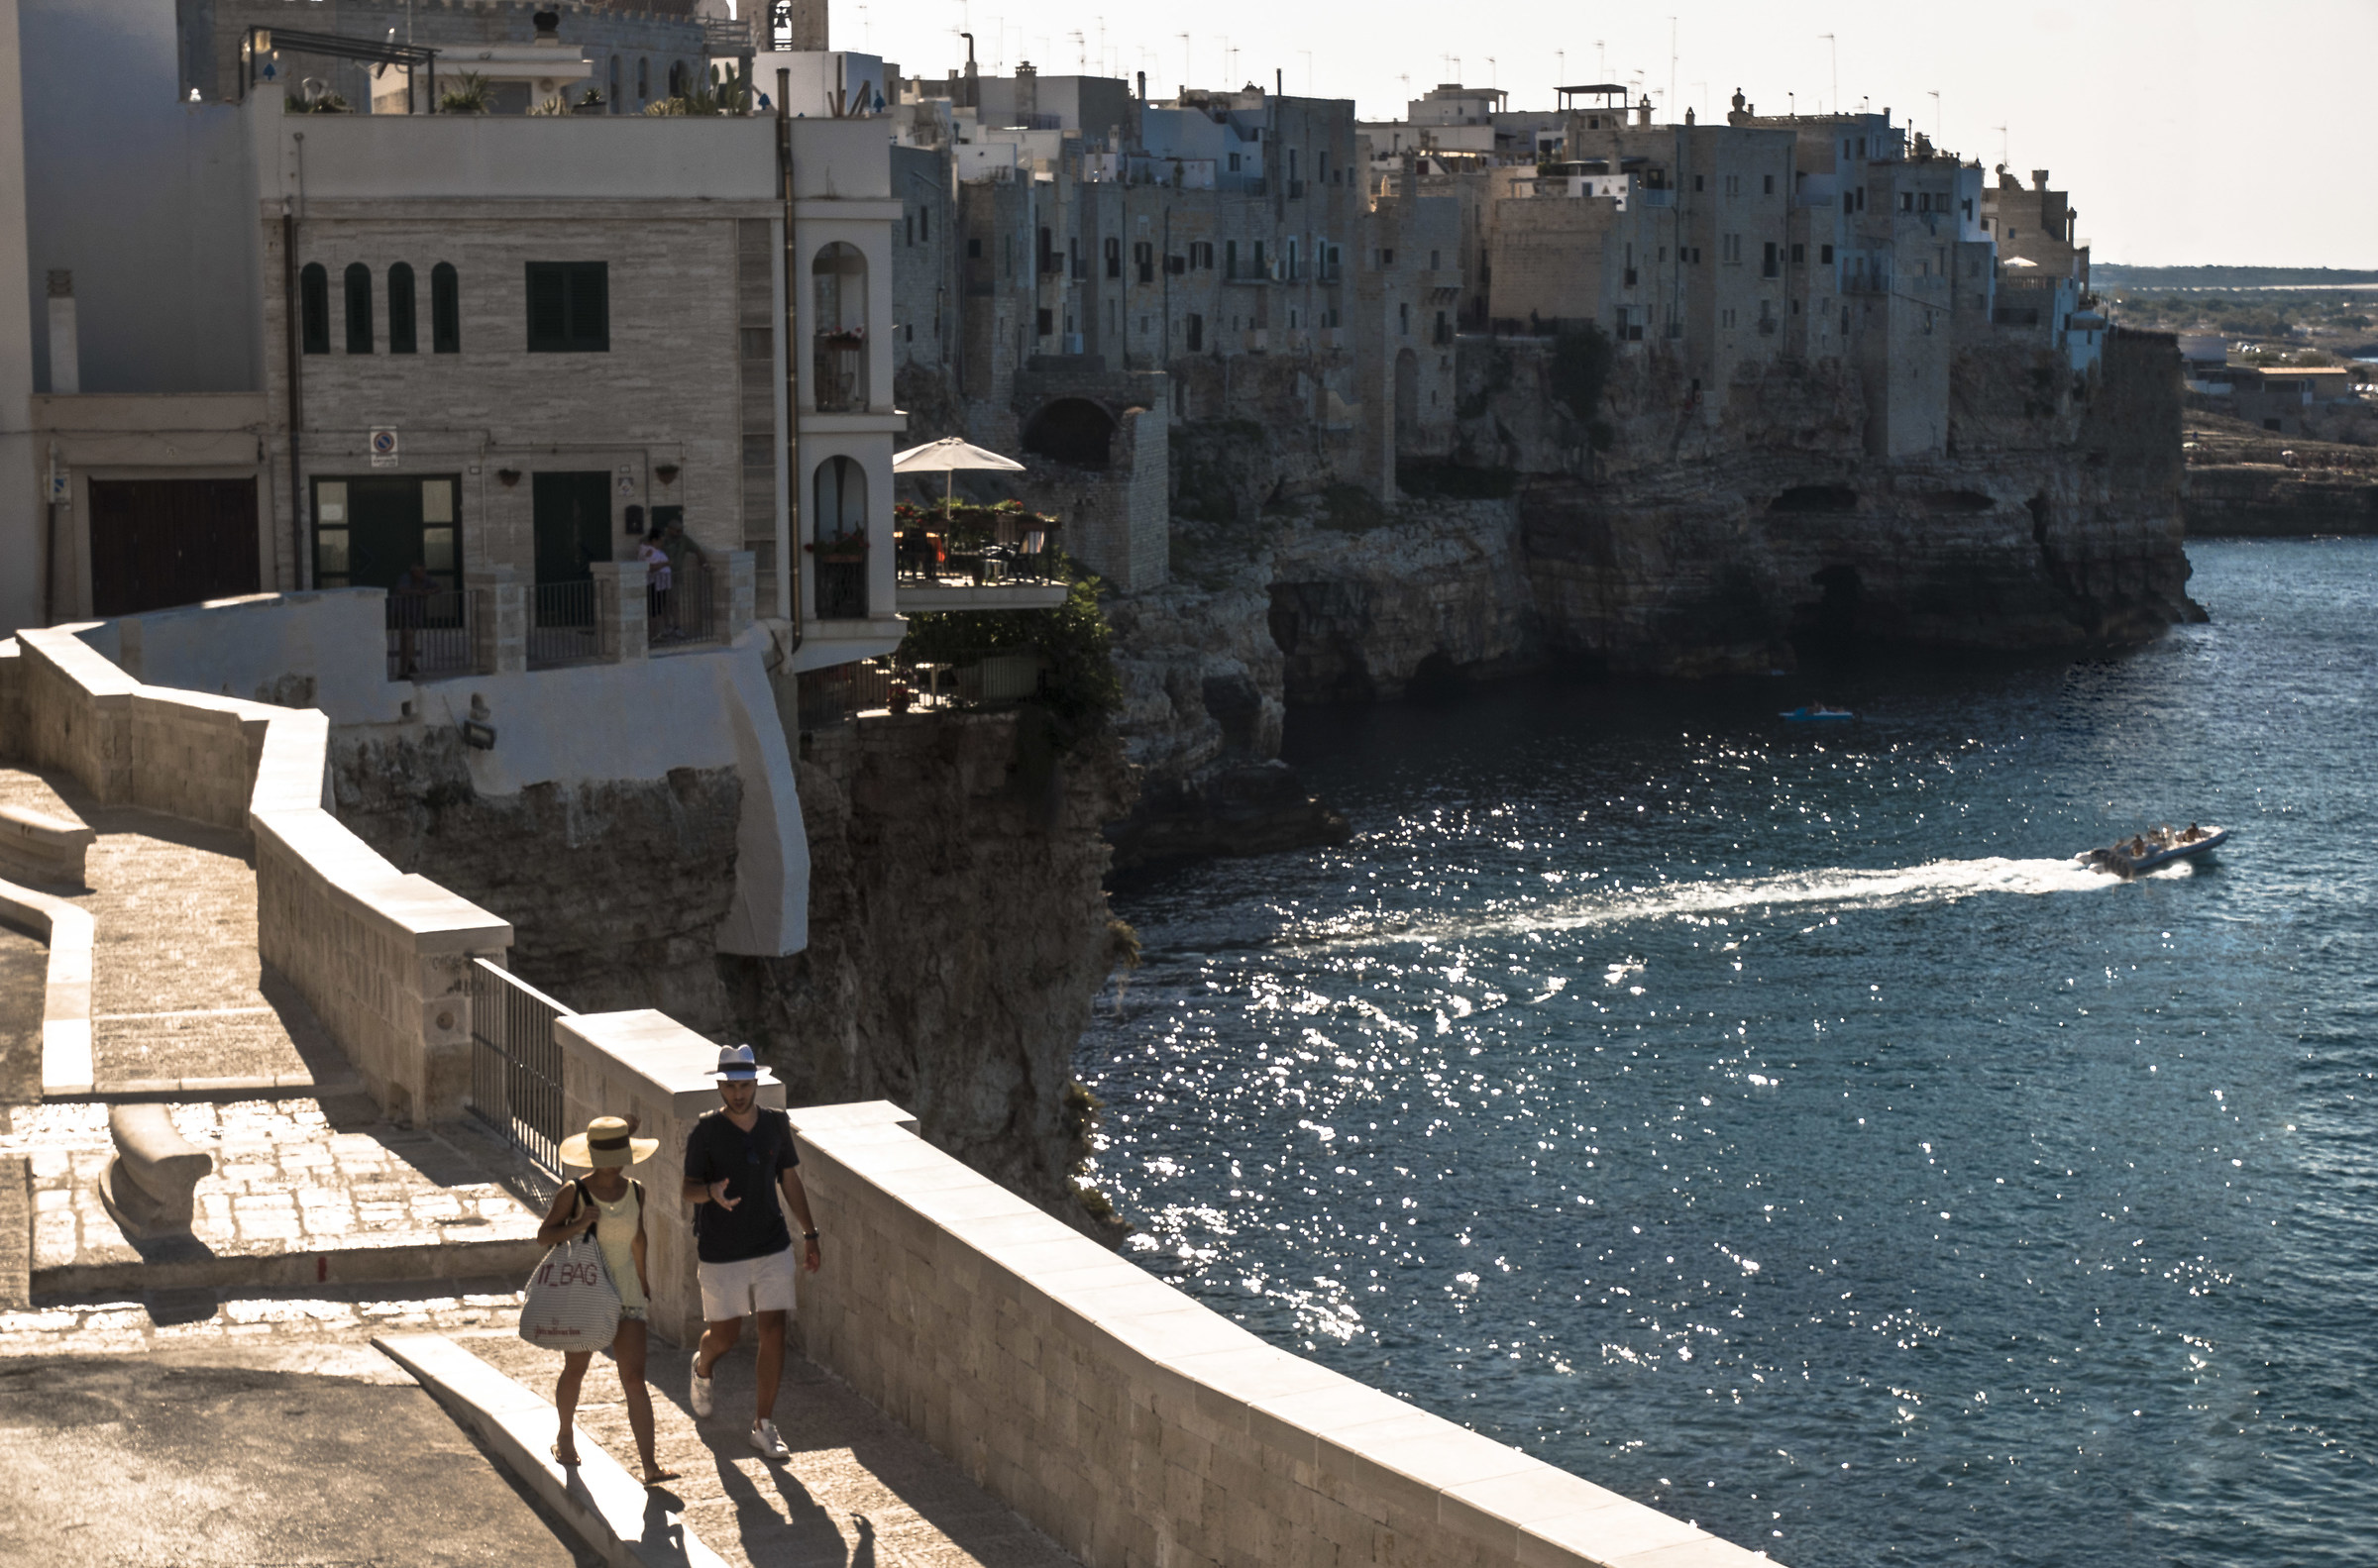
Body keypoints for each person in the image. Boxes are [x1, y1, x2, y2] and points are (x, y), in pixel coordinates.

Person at [682, 1044, 821, 1461]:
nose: (738, 1094)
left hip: (771, 1243)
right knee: (725, 1336)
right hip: (721, 1249)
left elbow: (789, 1180)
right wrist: (711, 1193)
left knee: (773, 1331)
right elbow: (687, 1189)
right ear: (720, 1086)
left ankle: (763, 1425)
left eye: (745, 1085)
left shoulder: (776, 1125)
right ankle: (702, 1366)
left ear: (755, 1083)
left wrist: (810, 1233)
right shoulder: (705, 1133)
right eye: (731, 1086)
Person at [538, 1114, 679, 1487]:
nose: (617, 1161)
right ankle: (565, 1435)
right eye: (611, 1153)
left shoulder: (637, 1191)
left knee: (634, 1377)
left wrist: (644, 1281)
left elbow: (639, 1237)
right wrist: (579, 1224)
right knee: (576, 1369)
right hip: (585, 1292)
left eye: (622, 1152)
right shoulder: (573, 1192)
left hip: (628, 1293)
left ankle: (649, 1465)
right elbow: (544, 1235)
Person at [390, 560, 436, 679]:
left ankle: (407, 666)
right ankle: (405, 669)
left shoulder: (425, 579)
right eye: (421, 571)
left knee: (408, 640)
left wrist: (429, 591)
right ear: (414, 571)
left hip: (415, 615)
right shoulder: (406, 578)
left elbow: (437, 587)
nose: (423, 573)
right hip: (402, 614)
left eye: (424, 571)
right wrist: (419, 593)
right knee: (407, 638)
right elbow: (402, 590)